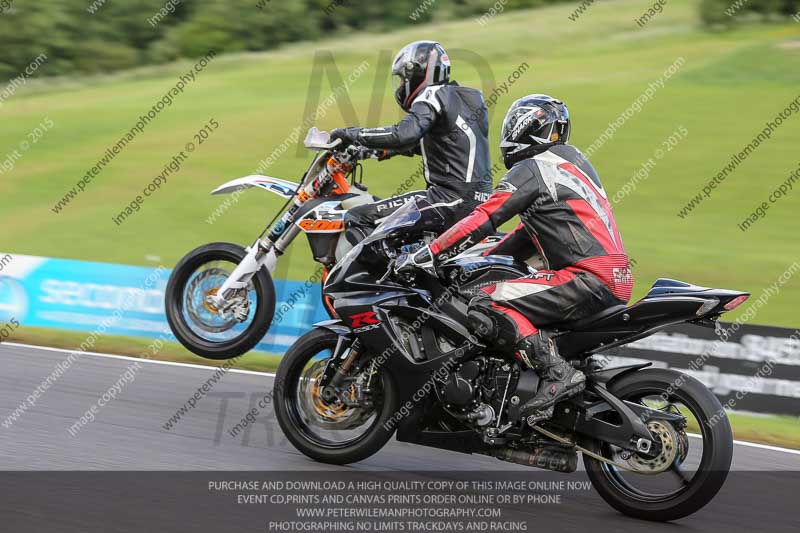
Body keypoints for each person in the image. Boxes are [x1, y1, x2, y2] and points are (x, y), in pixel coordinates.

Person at [395, 94, 634, 424]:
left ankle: (557, 373)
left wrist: (430, 253)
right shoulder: (572, 165)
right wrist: (474, 264)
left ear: (523, 128)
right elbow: (524, 237)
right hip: (615, 279)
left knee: (485, 303)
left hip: (586, 277)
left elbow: (484, 217)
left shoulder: (534, 168)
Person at [330, 40, 492, 245]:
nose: (400, 86)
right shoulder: (468, 98)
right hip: (479, 201)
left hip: (450, 199)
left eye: (402, 79)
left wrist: (349, 133)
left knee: (358, 218)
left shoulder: (432, 94)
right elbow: (438, 145)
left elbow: (403, 134)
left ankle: (383, 277)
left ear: (416, 73)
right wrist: (373, 151)